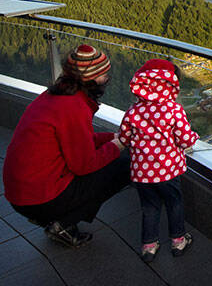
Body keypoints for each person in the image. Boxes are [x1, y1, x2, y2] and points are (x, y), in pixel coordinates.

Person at [2, 44, 130, 247]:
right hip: (39, 196)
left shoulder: (57, 96)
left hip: (22, 192)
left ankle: (50, 216)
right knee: (125, 165)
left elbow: (78, 142)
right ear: (91, 78)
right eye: (104, 74)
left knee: (113, 157)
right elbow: (84, 165)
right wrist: (119, 145)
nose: (107, 78)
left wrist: (111, 138)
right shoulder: (73, 107)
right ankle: (61, 222)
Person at [118, 59, 198, 262]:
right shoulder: (173, 110)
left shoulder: (133, 111)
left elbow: (124, 138)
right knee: (174, 204)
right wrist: (193, 138)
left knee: (149, 207)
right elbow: (185, 139)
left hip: (142, 174)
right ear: (171, 85)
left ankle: (149, 246)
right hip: (168, 171)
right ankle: (178, 241)